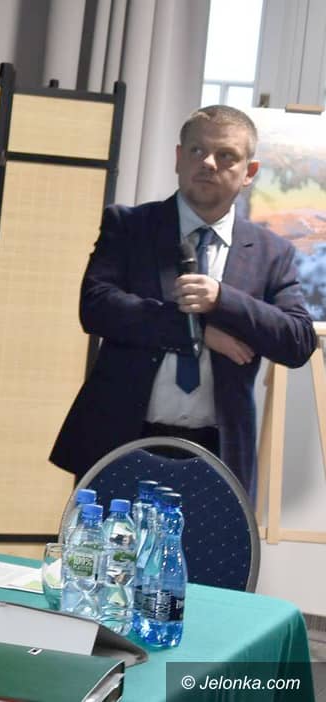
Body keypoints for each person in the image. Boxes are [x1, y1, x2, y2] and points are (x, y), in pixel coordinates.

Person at [51, 105, 317, 495]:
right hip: (122, 438)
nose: (208, 162)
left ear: (249, 172)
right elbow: (97, 307)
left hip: (218, 453)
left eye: (225, 155)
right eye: (197, 150)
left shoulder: (271, 252)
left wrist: (222, 299)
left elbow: (298, 341)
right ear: (179, 158)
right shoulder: (130, 226)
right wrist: (196, 332)